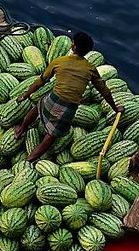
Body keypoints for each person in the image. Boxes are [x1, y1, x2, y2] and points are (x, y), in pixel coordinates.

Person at [13, 32, 123, 162]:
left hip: (53, 98)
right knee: (50, 137)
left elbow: (41, 81)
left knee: (36, 109)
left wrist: (25, 95)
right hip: (68, 107)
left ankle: (21, 129)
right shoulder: (90, 68)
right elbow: (105, 91)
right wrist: (116, 109)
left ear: (73, 46)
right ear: (88, 51)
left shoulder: (59, 61)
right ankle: (29, 160)